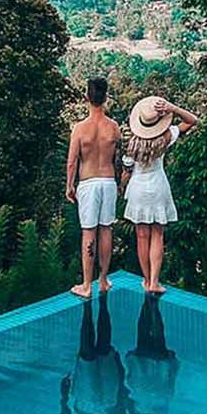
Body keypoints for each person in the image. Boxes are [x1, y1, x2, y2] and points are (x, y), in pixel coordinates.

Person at [123, 95, 198, 294]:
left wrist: (122, 189)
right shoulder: (166, 137)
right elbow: (192, 121)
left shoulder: (132, 144)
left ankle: (146, 280)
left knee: (142, 236)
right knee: (158, 234)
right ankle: (155, 281)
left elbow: (126, 171)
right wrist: (173, 107)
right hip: (158, 187)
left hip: (138, 188)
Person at [65, 76, 122, 297]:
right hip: (108, 181)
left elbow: (72, 161)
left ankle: (87, 285)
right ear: (106, 98)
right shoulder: (114, 127)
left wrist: (70, 185)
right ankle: (103, 280)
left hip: (88, 182)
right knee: (106, 229)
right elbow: (118, 158)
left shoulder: (80, 129)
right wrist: (118, 183)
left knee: (89, 232)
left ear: (86, 97)